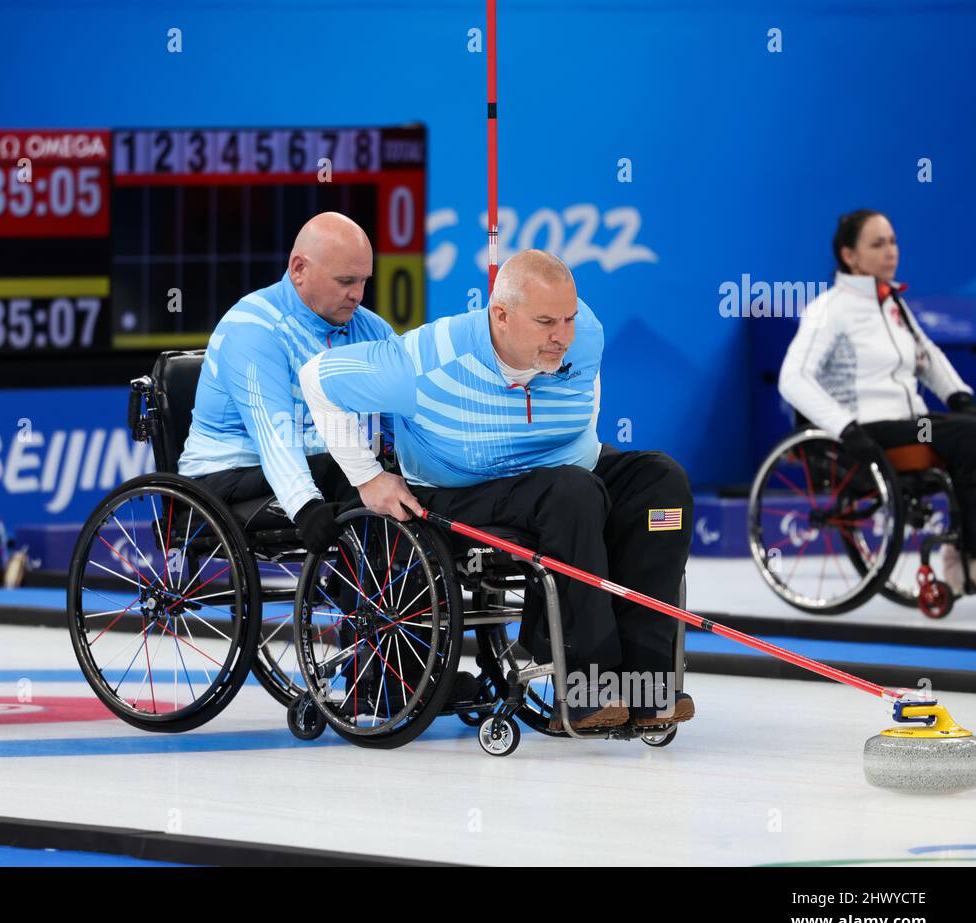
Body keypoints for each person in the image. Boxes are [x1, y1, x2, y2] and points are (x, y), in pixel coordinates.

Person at [299, 250, 695, 730]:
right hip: (466, 488)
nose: (562, 336)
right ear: (500, 316)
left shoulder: (583, 335)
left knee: (661, 481)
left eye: (568, 318)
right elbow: (317, 378)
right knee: (572, 494)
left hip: (565, 473)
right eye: (547, 321)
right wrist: (367, 476)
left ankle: (645, 683)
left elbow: (585, 402)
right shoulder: (427, 360)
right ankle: (589, 687)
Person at [778, 209, 976, 593]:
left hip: (911, 422)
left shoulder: (891, 304)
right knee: (970, 438)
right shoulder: (829, 309)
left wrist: (960, 396)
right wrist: (845, 428)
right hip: (869, 427)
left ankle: (960, 547)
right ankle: (966, 558)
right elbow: (792, 378)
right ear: (849, 255)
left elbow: (927, 356)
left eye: (893, 241)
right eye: (878, 244)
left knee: (968, 428)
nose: (891, 251)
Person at [177, 211, 396, 548]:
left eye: (364, 280)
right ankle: (367, 599)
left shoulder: (370, 328)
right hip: (222, 479)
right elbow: (274, 432)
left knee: (391, 470)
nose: (358, 294)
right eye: (345, 281)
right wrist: (306, 506)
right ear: (298, 270)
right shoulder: (253, 328)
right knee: (349, 472)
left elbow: (402, 411)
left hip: (322, 465)